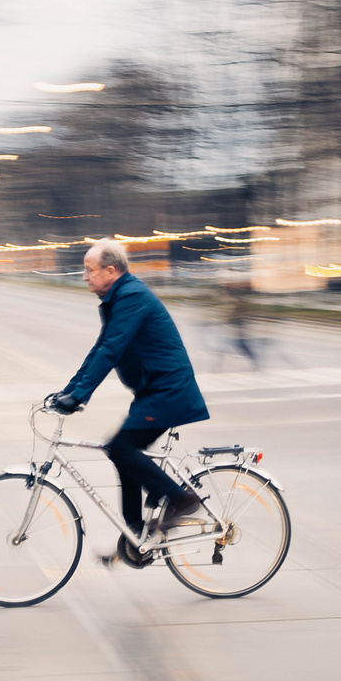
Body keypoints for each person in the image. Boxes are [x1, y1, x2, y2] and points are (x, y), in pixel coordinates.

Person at [52, 240, 209, 563]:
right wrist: (67, 392)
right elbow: (100, 349)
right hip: (154, 392)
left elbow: (112, 351)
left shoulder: (131, 297)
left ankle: (181, 500)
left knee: (121, 449)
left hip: (168, 392)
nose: (85, 276)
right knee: (124, 454)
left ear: (111, 270)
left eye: (89, 270)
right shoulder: (120, 298)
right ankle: (137, 539)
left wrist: (78, 397)